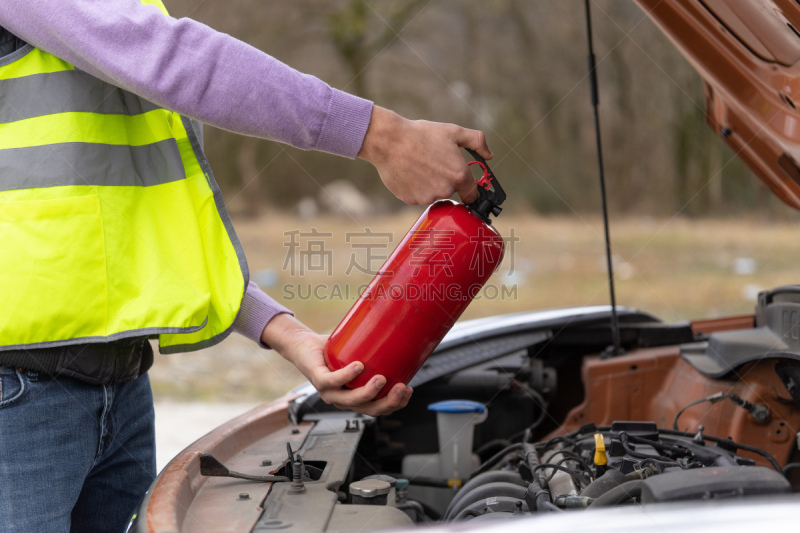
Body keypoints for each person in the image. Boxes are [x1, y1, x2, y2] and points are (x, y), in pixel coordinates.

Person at [0, 1, 493, 531]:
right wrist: (383, 136)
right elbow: (172, 59)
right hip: (20, 402)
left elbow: (147, 224)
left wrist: (284, 332)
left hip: (118, 385)